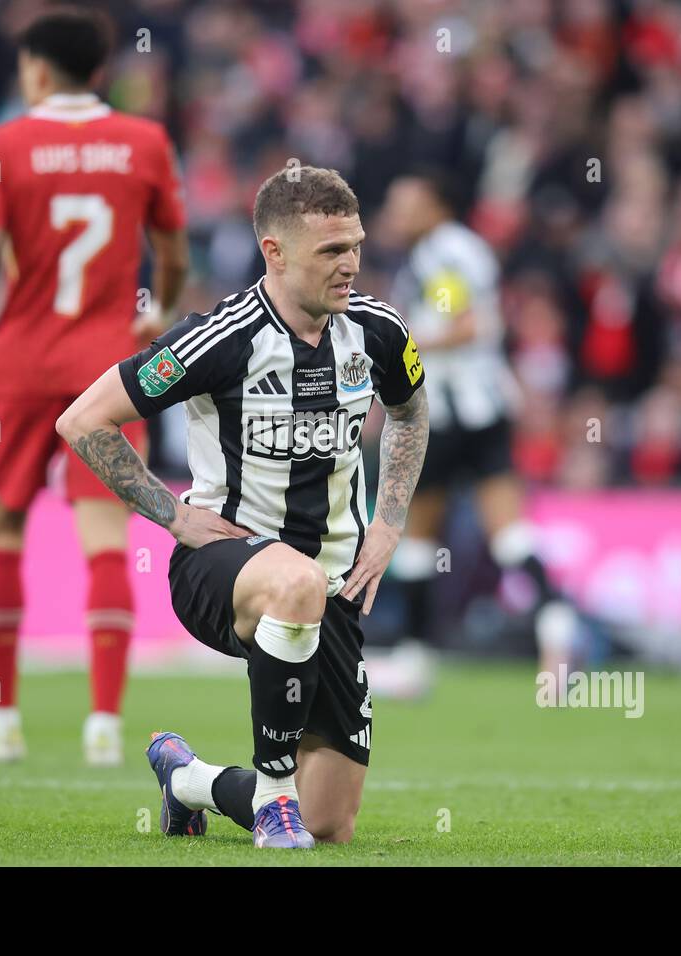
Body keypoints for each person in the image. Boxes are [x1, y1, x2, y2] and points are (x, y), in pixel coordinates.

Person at [55, 167, 429, 847]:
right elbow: (83, 420)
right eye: (330, 251)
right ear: (274, 252)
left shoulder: (376, 330)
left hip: (333, 585)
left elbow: (409, 411)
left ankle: (188, 780)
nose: (349, 264)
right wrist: (170, 514)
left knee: (332, 823)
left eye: (355, 246)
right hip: (222, 569)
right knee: (294, 579)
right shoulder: (220, 339)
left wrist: (390, 519)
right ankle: (274, 799)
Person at [0, 8, 188, 766]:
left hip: (17, 365)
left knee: (4, 527)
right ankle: (106, 728)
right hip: (107, 369)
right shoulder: (144, 141)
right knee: (106, 542)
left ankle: (3, 724)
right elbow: (172, 249)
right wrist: (161, 317)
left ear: (38, 71)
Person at [372, 170, 579, 698]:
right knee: (507, 534)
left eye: (406, 200)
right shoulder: (458, 250)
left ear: (436, 204)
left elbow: (465, 323)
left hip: (447, 413)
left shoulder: (441, 253)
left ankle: (416, 657)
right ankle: (556, 626)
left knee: (418, 535)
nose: (396, 213)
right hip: (486, 409)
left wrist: (399, 348)